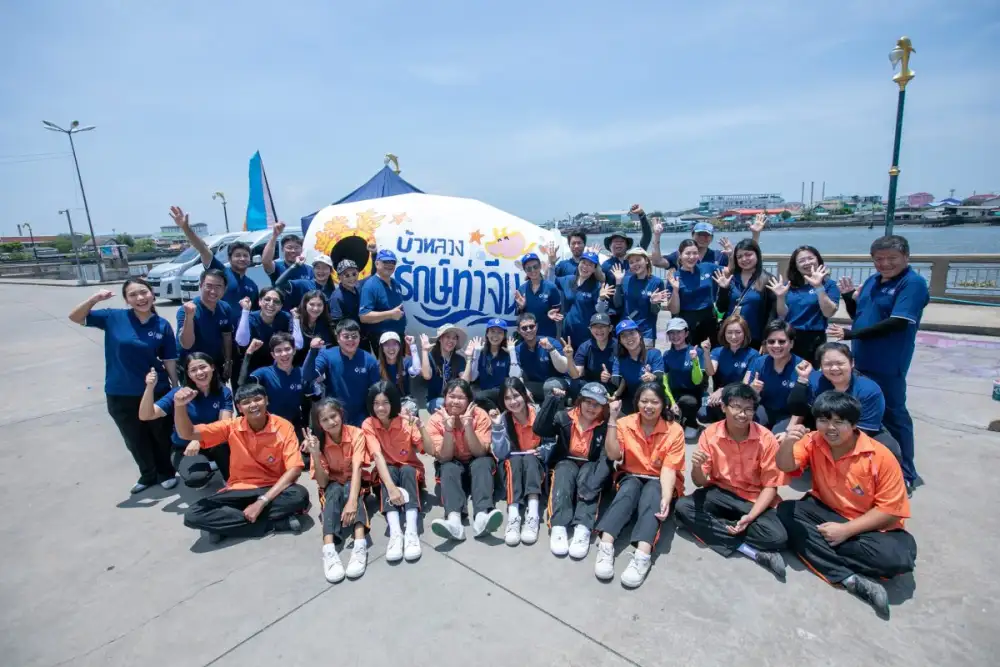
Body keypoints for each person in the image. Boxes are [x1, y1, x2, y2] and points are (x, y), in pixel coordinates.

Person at [777, 392, 917, 617]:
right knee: (785, 511)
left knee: (896, 559)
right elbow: (786, 466)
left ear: (853, 424)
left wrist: (846, 530)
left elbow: (890, 511)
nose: (830, 428)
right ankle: (849, 578)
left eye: (839, 422)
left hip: (870, 525)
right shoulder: (813, 440)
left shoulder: (880, 456)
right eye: (824, 420)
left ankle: (815, 548)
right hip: (825, 509)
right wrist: (787, 443)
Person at [827, 235, 929, 495]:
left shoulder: (913, 283)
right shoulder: (873, 281)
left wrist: (850, 334)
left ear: (906, 257)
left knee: (894, 416)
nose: (885, 264)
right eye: (879, 259)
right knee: (864, 413)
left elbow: (897, 322)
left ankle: (907, 472)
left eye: (892, 258)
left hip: (888, 362)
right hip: (862, 360)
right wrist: (848, 298)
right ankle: (870, 467)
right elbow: (861, 316)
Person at [69, 281, 178, 494]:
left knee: (160, 435)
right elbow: (75, 317)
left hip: (156, 390)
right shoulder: (113, 317)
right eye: (133, 295)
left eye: (144, 292)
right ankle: (147, 475)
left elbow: (169, 358)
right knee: (134, 437)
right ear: (127, 300)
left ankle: (166, 472)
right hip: (120, 391)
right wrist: (94, 299)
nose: (140, 298)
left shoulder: (162, 325)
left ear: (152, 294)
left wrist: (175, 386)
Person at [674, 383, 788, 578]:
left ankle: (709, 527)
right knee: (683, 506)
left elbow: (771, 487)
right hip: (720, 492)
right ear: (724, 407)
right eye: (736, 407)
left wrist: (750, 517)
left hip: (753, 498)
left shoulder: (766, 438)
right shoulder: (710, 434)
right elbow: (700, 482)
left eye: (748, 409)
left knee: (778, 538)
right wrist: (697, 467)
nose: (742, 414)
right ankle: (751, 551)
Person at [178, 383, 310, 542]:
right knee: (193, 515)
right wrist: (179, 406)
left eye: (257, 399)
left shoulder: (283, 426)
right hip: (239, 488)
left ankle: (226, 526)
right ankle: (277, 524)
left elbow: (295, 469)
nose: (253, 405)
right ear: (239, 408)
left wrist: (261, 502)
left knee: (299, 496)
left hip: (272, 488)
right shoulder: (231, 426)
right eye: (246, 402)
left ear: (266, 400)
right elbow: (188, 433)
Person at [594, 383, 685, 587]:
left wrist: (666, 497)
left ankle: (642, 555)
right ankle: (606, 545)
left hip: (659, 479)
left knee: (653, 493)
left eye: (654, 402)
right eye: (644, 401)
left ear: (663, 404)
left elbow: (669, 468)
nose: (648, 406)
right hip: (631, 474)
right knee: (629, 490)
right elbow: (613, 455)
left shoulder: (675, 430)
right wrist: (612, 420)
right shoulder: (625, 423)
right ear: (637, 402)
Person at [305, 398, 402, 582]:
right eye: (324, 420)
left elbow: (357, 468)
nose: (331, 422)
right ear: (319, 424)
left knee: (352, 491)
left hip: (355, 480)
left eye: (333, 416)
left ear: (341, 414)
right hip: (332, 482)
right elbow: (323, 482)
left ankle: (359, 544)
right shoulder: (318, 442)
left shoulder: (356, 434)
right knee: (332, 492)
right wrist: (315, 454)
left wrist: (351, 502)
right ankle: (329, 550)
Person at [533, 382, 614, 559]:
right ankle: (559, 525)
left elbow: (606, 459)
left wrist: (593, 485)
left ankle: (583, 527)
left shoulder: (606, 425)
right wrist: (551, 401)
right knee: (563, 472)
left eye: (597, 404)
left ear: (603, 407)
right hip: (567, 461)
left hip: (590, 464)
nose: (591, 408)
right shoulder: (565, 417)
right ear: (580, 401)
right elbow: (540, 428)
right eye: (588, 402)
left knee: (590, 475)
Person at [787, 342, 901, 461]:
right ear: (820, 366)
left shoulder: (869, 390)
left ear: (852, 363)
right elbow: (796, 409)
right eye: (828, 364)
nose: (834, 368)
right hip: (821, 427)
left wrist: (832, 442)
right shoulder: (815, 380)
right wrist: (802, 379)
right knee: (784, 435)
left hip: (857, 430)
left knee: (890, 448)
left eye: (840, 363)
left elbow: (864, 430)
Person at [140, 352, 233, 489]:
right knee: (197, 478)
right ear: (188, 374)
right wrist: (149, 387)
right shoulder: (179, 393)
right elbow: (146, 415)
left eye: (203, 367)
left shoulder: (223, 392)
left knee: (227, 442)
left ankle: (226, 473)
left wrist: (198, 439)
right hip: (185, 447)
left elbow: (223, 424)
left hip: (213, 443)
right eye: (193, 370)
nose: (199, 372)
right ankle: (205, 467)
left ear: (212, 367)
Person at [362, 381, 430, 562]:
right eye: (376, 403)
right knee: (389, 470)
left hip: (410, 474)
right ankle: (395, 533)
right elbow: (377, 456)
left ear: (393, 402)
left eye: (385, 402)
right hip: (387, 476)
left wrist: (421, 426)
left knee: (407, 469)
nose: (380, 408)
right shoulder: (368, 424)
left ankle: (411, 531)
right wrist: (392, 488)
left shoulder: (406, 421)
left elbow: (428, 450)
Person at [427, 380, 502, 541]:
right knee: (447, 467)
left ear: (469, 400)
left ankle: (482, 517)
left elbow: (480, 452)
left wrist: (468, 425)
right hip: (453, 463)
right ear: (444, 398)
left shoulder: (480, 415)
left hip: (476, 460)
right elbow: (445, 457)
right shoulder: (435, 420)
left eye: (461, 398)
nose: (455, 401)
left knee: (483, 462)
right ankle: (454, 522)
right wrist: (448, 429)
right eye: (451, 396)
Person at [488, 378, 544, 547]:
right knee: (514, 461)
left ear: (524, 395)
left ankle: (532, 514)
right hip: (512, 468)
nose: (513, 401)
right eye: (507, 398)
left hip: (536, 466)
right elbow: (501, 453)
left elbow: (552, 442)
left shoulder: (539, 414)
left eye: (516, 396)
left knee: (530, 459)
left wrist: (543, 451)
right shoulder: (504, 419)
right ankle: (513, 516)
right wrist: (497, 427)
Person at [170, 206, 258, 313]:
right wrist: (185, 228)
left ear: (250, 259)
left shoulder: (252, 285)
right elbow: (203, 249)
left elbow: (256, 313)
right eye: (238, 255)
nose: (242, 258)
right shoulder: (221, 272)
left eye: (245, 255)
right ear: (229, 258)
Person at [303, 319, 380, 427]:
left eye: (354, 336)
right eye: (346, 336)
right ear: (338, 338)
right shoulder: (327, 355)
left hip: (362, 419)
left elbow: (375, 392)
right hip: (335, 418)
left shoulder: (369, 360)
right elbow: (308, 376)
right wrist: (312, 351)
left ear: (359, 338)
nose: (350, 340)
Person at [771, 245, 839, 363]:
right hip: (789, 336)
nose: (807, 263)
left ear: (818, 260)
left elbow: (828, 312)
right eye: (801, 260)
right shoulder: (789, 286)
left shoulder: (829, 285)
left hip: (814, 338)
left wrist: (818, 287)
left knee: (810, 372)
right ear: (795, 265)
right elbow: (783, 314)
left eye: (810, 258)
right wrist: (780, 297)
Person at [240, 333, 309, 440]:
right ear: (273, 355)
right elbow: (242, 383)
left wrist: (307, 431)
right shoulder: (264, 373)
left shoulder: (302, 373)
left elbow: (310, 403)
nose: (284, 354)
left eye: (287, 349)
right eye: (278, 351)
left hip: (295, 426)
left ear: (294, 350)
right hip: (270, 427)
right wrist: (249, 353)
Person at [176, 268, 234, 381]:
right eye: (209, 286)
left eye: (218, 287)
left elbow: (227, 336)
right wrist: (189, 317)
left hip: (214, 365)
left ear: (224, 289)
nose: (213, 291)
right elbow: (186, 344)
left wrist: (228, 361)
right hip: (192, 368)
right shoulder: (186, 310)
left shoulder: (225, 308)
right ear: (201, 286)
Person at [744, 320, 803, 431]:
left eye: (781, 341)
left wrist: (790, 428)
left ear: (791, 343)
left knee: (778, 437)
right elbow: (744, 393)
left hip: (789, 415)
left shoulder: (802, 367)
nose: (776, 345)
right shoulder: (759, 362)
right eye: (771, 341)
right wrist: (752, 390)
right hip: (764, 410)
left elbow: (803, 405)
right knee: (747, 427)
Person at [701, 315, 760, 423]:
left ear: (745, 333)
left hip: (741, 397)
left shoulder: (753, 355)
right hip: (720, 398)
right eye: (729, 332)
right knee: (702, 413)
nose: (733, 336)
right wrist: (706, 354)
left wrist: (723, 390)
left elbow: (745, 384)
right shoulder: (718, 351)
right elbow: (710, 372)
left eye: (738, 332)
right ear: (724, 333)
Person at [664, 239, 723, 346]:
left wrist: (731, 255)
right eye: (688, 253)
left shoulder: (707, 267)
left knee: (710, 352)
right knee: (689, 354)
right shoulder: (675, 277)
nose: (692, 257)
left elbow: (731, 270)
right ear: (680, 255)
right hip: (686, 323)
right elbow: (674, 310)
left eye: (695, 253)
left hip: (709, 320)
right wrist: (675, 290)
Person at [720, 235, 775, 348]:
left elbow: (772, 314)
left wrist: (767, 339)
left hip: (755, 337)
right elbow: (721, 308)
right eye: (739, 256)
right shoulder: (731, 278)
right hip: (731, 336)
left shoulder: (767, 279)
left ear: (757, 255)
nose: (744, 259)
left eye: (748, 254)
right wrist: (723, 289)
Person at [610, 247, 668, 346]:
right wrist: (618, 283)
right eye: (631, 262)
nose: (635, 264)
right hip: (626, 329)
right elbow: (618, 304)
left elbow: (655, 311)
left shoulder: (657, 282)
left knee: (647, 356)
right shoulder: (625, 280)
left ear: (646, 261)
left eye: (638, 260)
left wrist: (653, 303)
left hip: (646, 332)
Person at [558, 250, 614, 349]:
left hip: (586, 334)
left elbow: (600, 311)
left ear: (594, 269)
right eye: (583, 263)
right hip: (567, 332)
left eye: (590, 265)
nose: (585, 267)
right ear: (579, 263)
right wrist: (551, 264)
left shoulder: (597, 286)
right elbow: (551, 281)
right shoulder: (568, 280)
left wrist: (601, 299)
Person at [234, 287, 296, 378]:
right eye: (267, 299)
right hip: (251, 366)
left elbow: (297, 344)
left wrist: (296, 319)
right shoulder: (249, 318)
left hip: (276, 367)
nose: (271, 304)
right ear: (260, 302)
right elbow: (242, 342)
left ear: (281, 306)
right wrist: (245, 310)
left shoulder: (285, 318)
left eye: (276, 301)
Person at [662, 318, 708, 437]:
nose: (675, 336)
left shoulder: (697, 352)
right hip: (674, 394)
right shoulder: (667, 355)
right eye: (671, 333)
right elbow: (664, 381)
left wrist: (695, 361)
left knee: (689, 402)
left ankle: (692, 423)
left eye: (679, 332)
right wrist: (672, 402)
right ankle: (679, 418)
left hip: (693, 394)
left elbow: (697, 381)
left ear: (686, 333)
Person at [511, 312, 570, 401]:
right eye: (524, 328)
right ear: (518, 330)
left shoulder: (552, 342)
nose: (528, 330)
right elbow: (517, 375)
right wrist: (524, 389)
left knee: (549, 386)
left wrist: (551, 349)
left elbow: (563, 369)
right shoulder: (518, 350)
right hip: (537, 385)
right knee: (515, 386)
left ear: (537, 326)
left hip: (557, 382)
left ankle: (559, 407)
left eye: (531, 326)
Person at [611, 319, 665, 414]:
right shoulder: (620, 360)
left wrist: (653, 377)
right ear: (620, 341)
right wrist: (608, 379)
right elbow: (616, 380)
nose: (629, 338)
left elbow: (660, 376)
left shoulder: (654, 353)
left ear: (639, 334)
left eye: (632, 333)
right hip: (632, 400)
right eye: (623, 336)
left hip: (653, 400)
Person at [462, 319, 513, 409]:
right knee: (472, 395)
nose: (495, 335)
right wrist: (476, 353)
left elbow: (514, 376)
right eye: (492, 331)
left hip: (500, 393)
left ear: (504, 335)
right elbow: (473, 377)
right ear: (487, 334)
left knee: (478, 398)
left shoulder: (507, 354)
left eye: (500, 332)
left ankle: (496, 411)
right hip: (483, 392)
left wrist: (512, 353)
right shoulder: (480, 352)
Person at [359, 249, 406, 345]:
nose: (389, 265)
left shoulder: (396, 284)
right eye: (385, 261)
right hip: (381, 339)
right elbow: (364, 316)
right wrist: (390, 314)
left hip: (399, 336)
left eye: (392, 262)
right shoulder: (370, 286)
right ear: (377, 264)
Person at [600, 203, 653, 287]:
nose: (618, 243)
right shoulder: (605, 265)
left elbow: (647, 236)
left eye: (621, 241)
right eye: (615, 241)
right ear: (610, 246)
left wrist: (641, 214)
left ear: (627, 245)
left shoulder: (634, 257)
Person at [566, 312, 618, 395]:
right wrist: (569, 357)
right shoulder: (585, 347)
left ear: (610, 328)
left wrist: (611, 377)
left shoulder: (618, 346)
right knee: (575, 383)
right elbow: (576, 375)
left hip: (611, 387)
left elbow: (625, 373)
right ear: (590, 329)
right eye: (595, 326)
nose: (599, 330)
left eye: (603, 326)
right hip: (590, 386)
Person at [421, 324, 468, 413]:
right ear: (440, 339)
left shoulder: (460, 359)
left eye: (454, 338)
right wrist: (424, 351)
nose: (451, 341)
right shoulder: (430, 357)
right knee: (442, 403)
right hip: (435, 401)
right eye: (448, 337)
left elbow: (465, 382)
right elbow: (426, 375)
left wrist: (469, 358)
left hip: (454, 400)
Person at [514, 252, 562, 339]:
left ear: (540, 266)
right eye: (528, 268)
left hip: (547, 334)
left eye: (535, 266)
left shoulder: (551, 287)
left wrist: (550, 313)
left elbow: (558, 309)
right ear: (525, 271)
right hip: (528, 335)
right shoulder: (521, 289)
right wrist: (522, 307)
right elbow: (519, 315)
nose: (532, 270)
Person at [261, 222, 313, 291]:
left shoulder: (310, 270)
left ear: (302, 249)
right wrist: (274, 235)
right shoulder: (277, 267)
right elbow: (266, 262)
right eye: (289, 247)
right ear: (282, 249)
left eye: (297, 247)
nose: (293, 251)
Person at [375, 331, 421, 407]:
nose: (391, 348)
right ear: (382, 348)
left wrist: (412, 345)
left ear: (399, 347)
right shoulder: (376, 366)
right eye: (386, 344)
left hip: (404, 402)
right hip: (384, 403)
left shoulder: (406, 362)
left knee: (411, 407)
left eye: (394, 343)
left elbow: (417, 370)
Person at [292, 290, 335, 365]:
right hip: (297, 363)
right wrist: (296, 320)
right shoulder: (295, 318)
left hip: (319, 362)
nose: (315, 308)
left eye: (319, 305)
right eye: (312, 304)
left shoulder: (326, 322)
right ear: (305, 304)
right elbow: (297, 345)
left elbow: (327, 347)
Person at [328, 259, 363, 335]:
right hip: (350, 336)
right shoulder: (336, 297)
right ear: (339, 277)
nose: (351, 278)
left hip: (363, 333)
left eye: (354, 274)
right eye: (347, 275)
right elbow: (337, 323)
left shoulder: (360, 287)